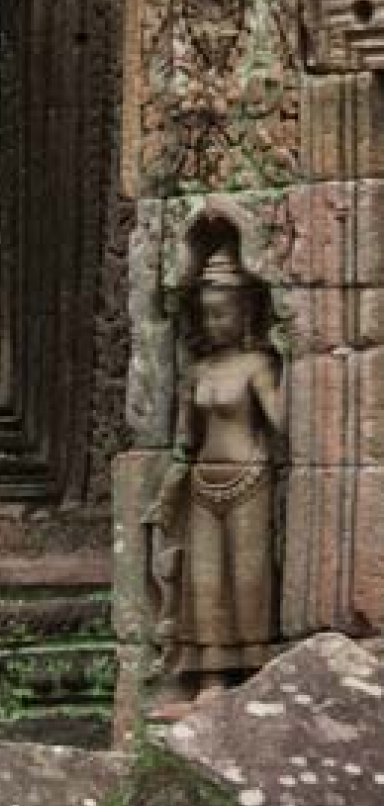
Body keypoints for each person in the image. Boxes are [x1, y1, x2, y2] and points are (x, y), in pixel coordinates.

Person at [146, 246, 289, 711]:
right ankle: (210, 675)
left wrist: (295, 350)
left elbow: (282, 422)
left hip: (250, 479)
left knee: (247, 578)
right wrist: (169, 486)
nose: (214, 324)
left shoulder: (257, 366)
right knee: (203, 581)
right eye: (207, 315)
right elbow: (186, 437)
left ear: (245, 312)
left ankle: (254, 670)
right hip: (203, 483)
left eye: (223, 314)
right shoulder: (197, 370)